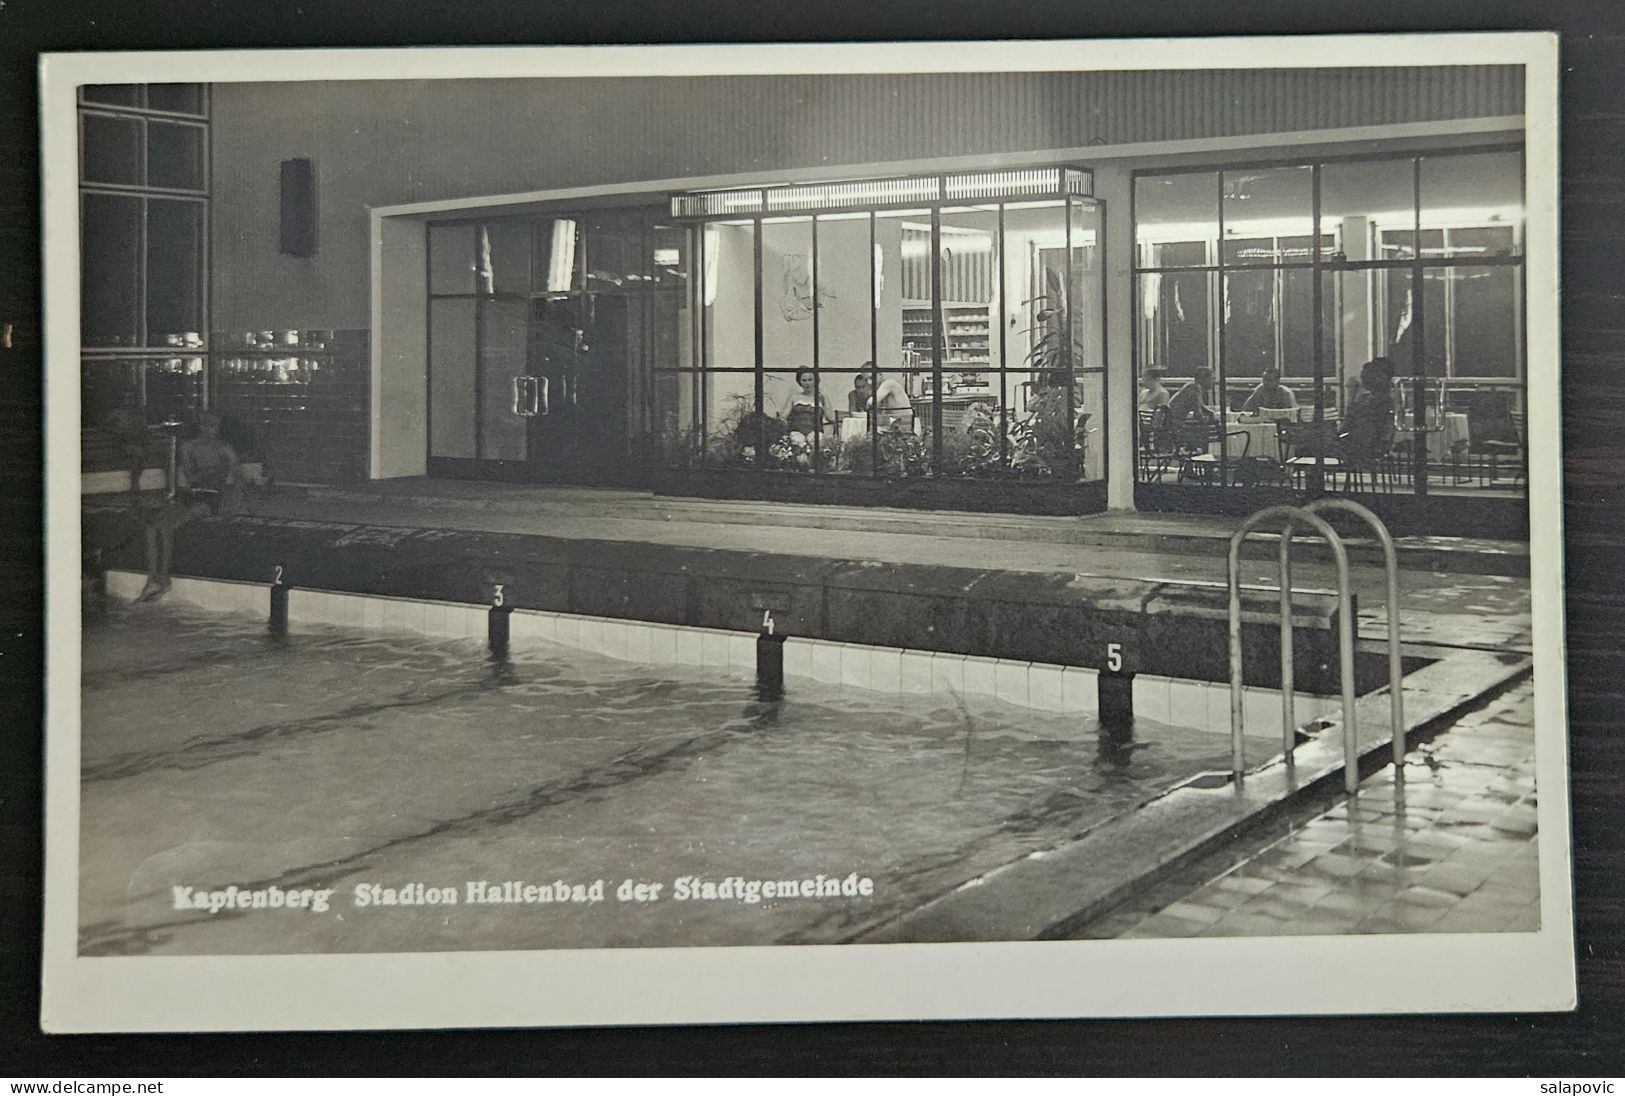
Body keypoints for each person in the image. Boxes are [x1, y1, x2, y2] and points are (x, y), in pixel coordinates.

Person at [136, 411, 244, 602]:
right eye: (205, 425)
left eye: (213, 426)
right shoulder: (188, 447)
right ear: (200, 426)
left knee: (167, 527)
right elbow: (192, 477)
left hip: (211, 499)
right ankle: (152, 578)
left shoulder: (225, 448)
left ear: (219, 429)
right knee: (152, 527)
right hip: (191, 495)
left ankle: (164, 577)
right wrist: (218, 470)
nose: (209, 430)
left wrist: (233, 507)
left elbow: (236, 480)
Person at [1337, 357, 1398, 464]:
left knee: (1315, 444)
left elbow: (1348, 425)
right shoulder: (1368, 399)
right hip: (1362, 443)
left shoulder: (1377, 403)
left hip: (1363, 446)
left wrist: (1351, 397)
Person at [778, 369, 831, 437]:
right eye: (804, 380)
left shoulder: (821, 398)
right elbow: (783, 417)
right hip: (796, 432)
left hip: (816, 433)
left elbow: (831, 418)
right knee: (797, 440)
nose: (807, 383)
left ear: (815, 381)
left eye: (810, 380)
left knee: (816, 440)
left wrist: (825, 397)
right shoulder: (794, 397)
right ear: (799, 382)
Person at [869, 367, 914, 431]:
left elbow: (870, 403)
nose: (869, 382)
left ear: (880, 375)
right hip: (897, 424)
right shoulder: (880, 391)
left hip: (906, 423)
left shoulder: (889, 383)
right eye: (866, 380)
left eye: (871, 378)